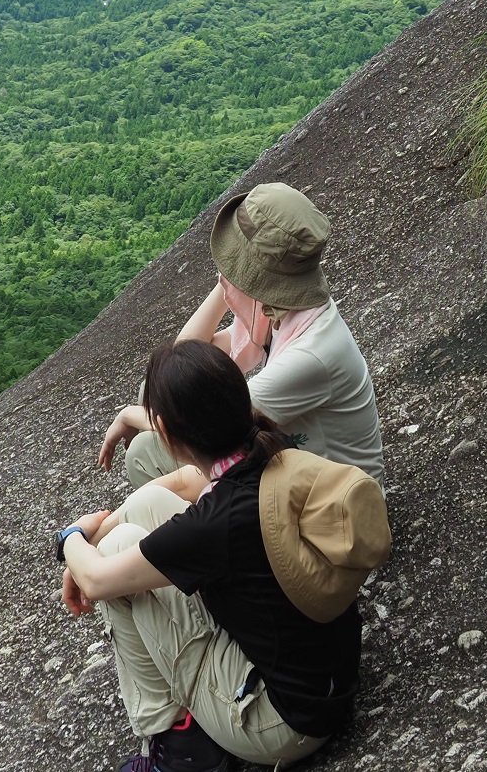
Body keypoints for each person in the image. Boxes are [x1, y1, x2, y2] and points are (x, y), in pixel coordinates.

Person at [55, 340, 391, 772]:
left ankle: (179, 750)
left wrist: (69, 540)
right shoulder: (268, 448)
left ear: (170, 438)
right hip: (324, 680)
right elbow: (174, 485)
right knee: (142, 510)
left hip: (283, 726)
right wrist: (96, 534)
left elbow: (98, 581)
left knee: (119, 554)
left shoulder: (218, 523)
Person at [98, 182, 384, 492]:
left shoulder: (311, 355)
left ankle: (204, 529)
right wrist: (232, 279)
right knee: (152, 396)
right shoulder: (281, 312)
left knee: (143, 453)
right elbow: (185, 358)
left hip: (333, 508)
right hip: (291, 466)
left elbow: (203, 422)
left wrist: (127, 415)